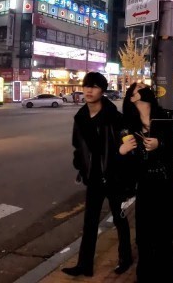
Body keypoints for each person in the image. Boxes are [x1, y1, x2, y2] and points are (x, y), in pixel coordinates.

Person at [61, 72, 133, 277]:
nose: (89, 90)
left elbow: (127, 147)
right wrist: (81, 168)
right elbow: (78, 147)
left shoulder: (114, 117)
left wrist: (120, 167)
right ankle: (84, 265)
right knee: (89, 223)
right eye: (86, 86)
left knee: (119, 219)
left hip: (114, 178)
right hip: (93, 178)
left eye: (94, 87)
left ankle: (125, 258)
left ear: (102, 90)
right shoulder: (81, 117)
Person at [120, 83, 173, 283]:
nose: (144, 88)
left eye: (145, 86)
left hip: (168, 186)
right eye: (138, 87)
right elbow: (120, 159)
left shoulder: (170, 116)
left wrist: (162, 144)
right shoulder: (127, 125)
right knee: (143, 239)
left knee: (163, 238)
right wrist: (122, 151)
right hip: (144, 188)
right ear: (132, 98)